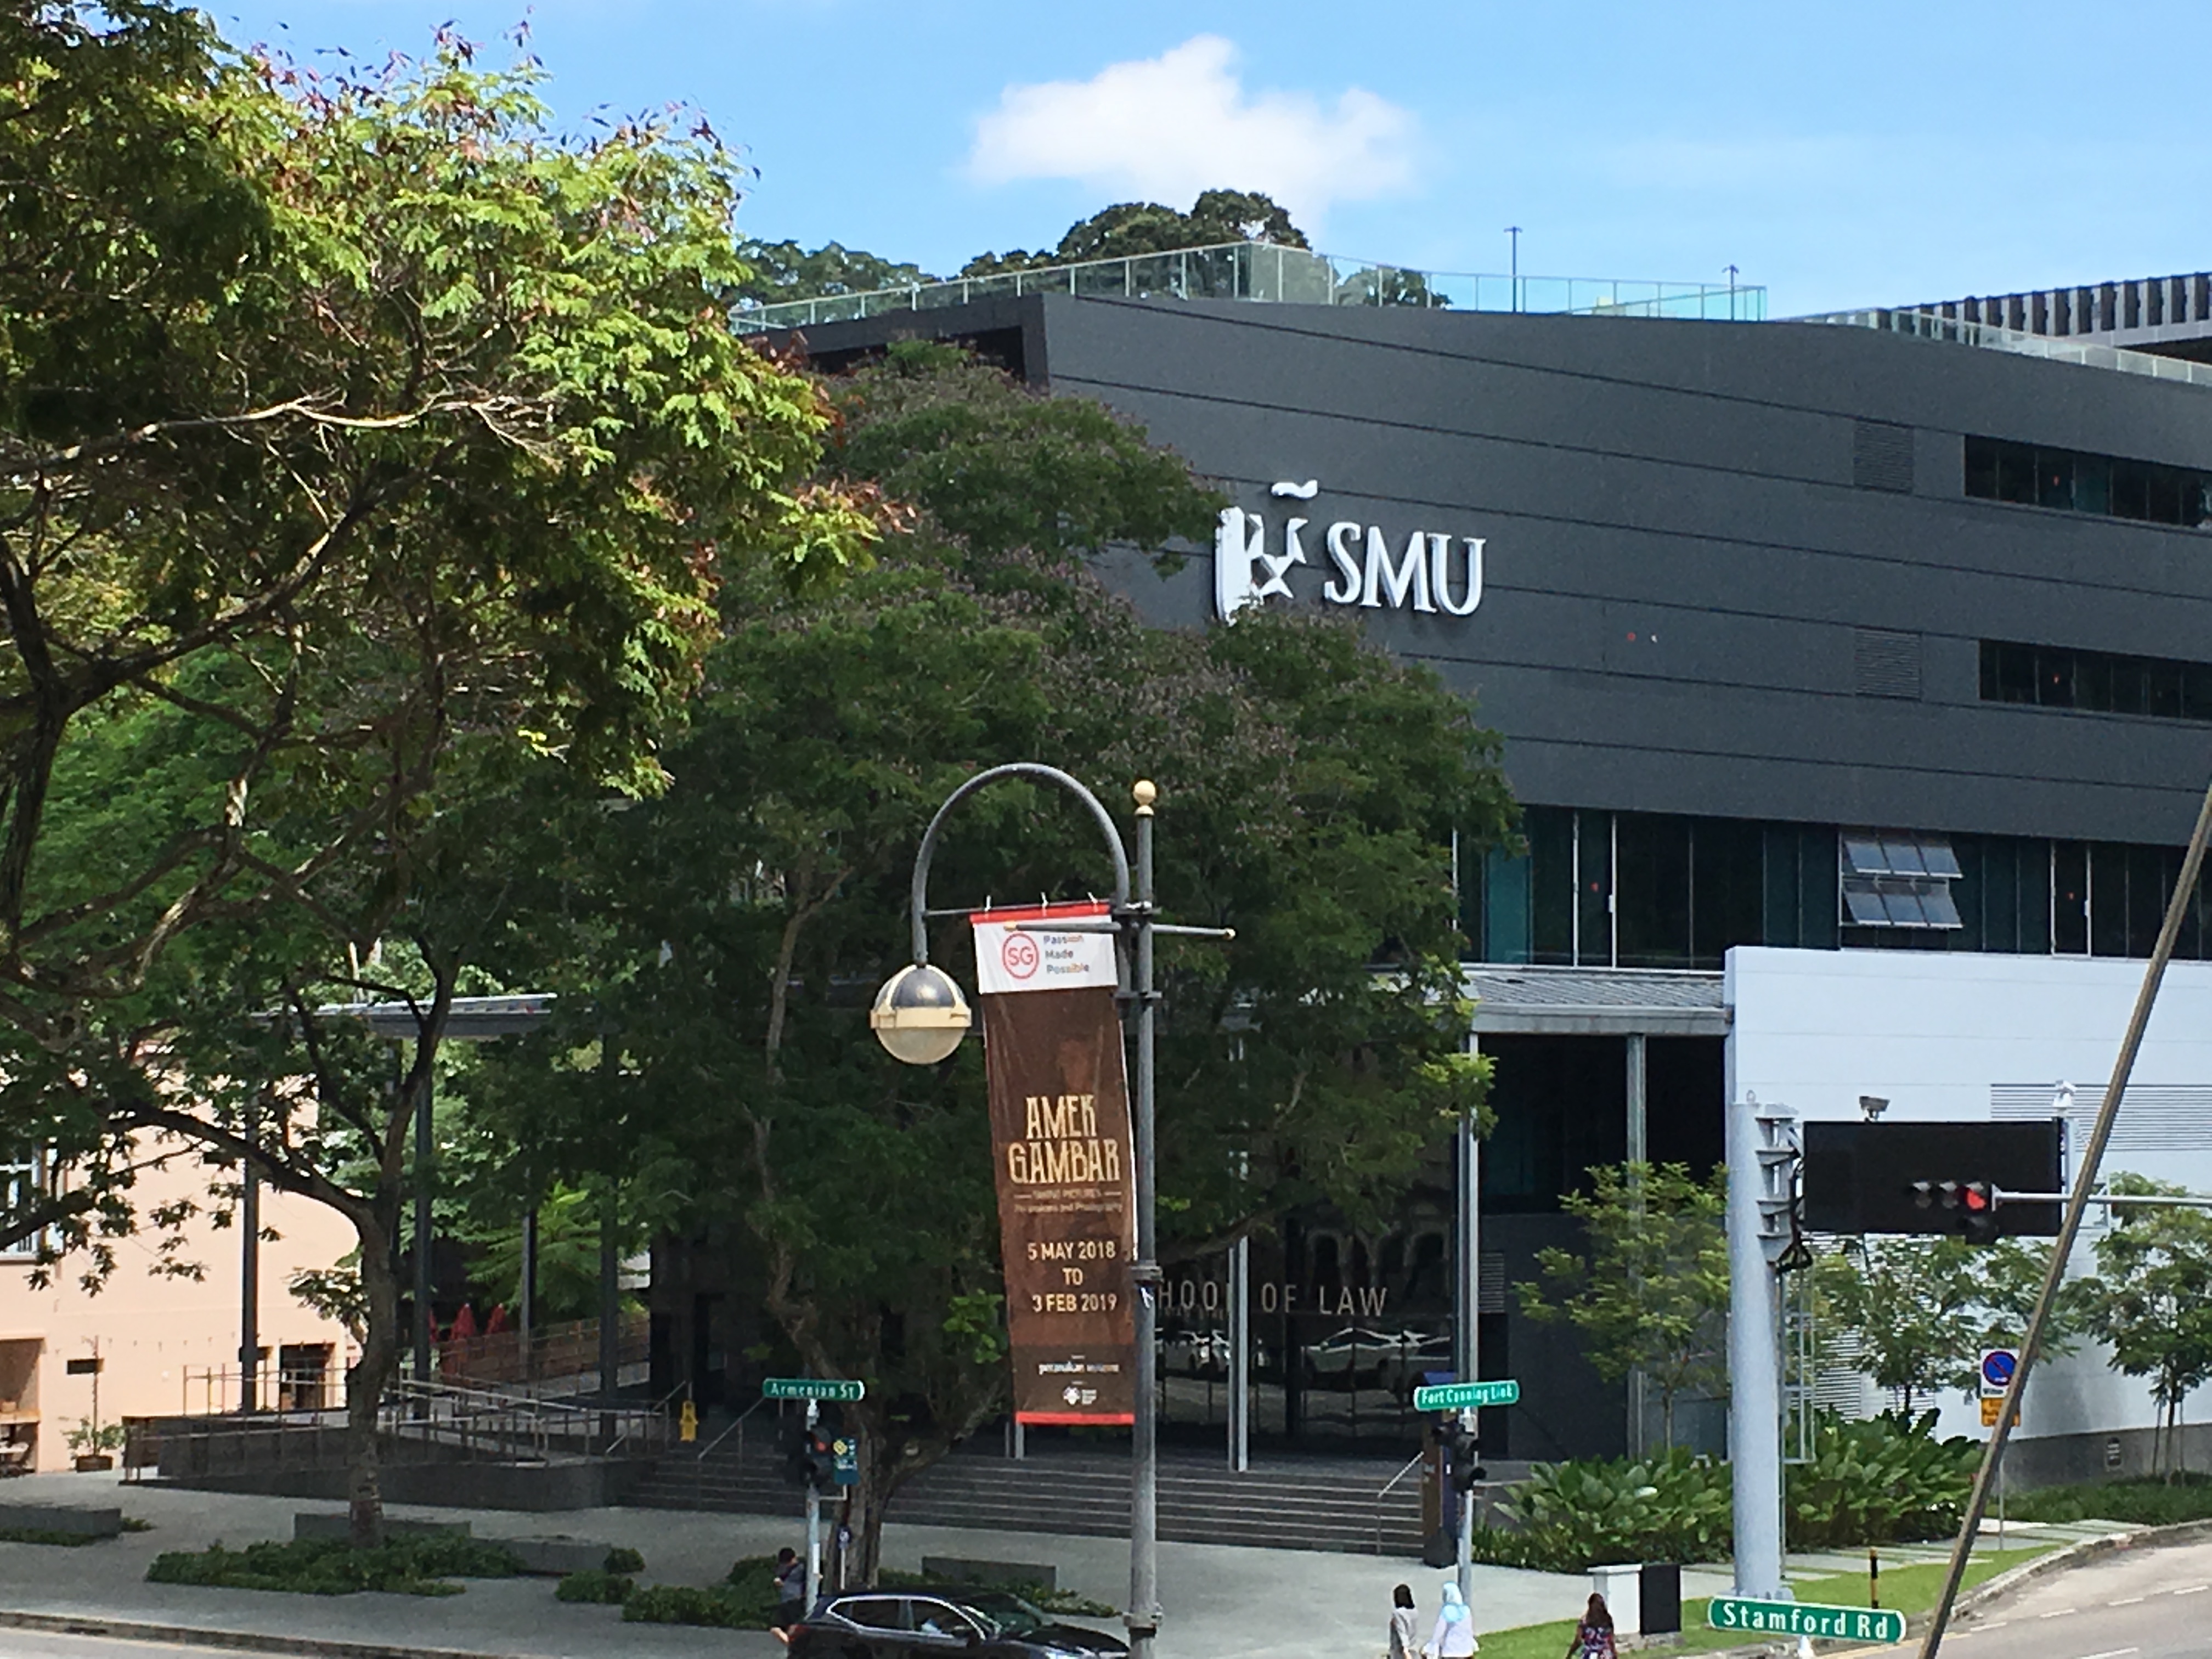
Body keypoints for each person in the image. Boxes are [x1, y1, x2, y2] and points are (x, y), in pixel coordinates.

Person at [1424, 1581, 1477, 1658]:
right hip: (1467, 1651)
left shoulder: (1446, 1611)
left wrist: (1430, 1647)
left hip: (1451, 1651)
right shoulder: (1466, 1610)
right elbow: (1469, 1630)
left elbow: (1439, 1632)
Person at [1566, 1593, 1617, 1659]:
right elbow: (1611, 1640)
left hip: (1589, 1654)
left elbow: (1578, 1641)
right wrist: (1614, 1653)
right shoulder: (1607, 1620)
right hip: (1605, 1655)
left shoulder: (1584, 1622)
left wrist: (1569, 1654)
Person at [771, 1548, 806, 1639]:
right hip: (796, 1600)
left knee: (777, 1627)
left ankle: (789, 1642)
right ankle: (792, 1643)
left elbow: (778, 1580)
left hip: (785, 1600)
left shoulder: (781, 1569)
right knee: (794, 1625)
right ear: (793, 1558)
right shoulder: (801, 1568)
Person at [1390, 1583, 1420, 1659]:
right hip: (1413, 1648)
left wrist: (1406, 1650)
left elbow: (1402, 1631)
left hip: (1400, 1651)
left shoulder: (1398, 1613)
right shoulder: (1415, 1611)